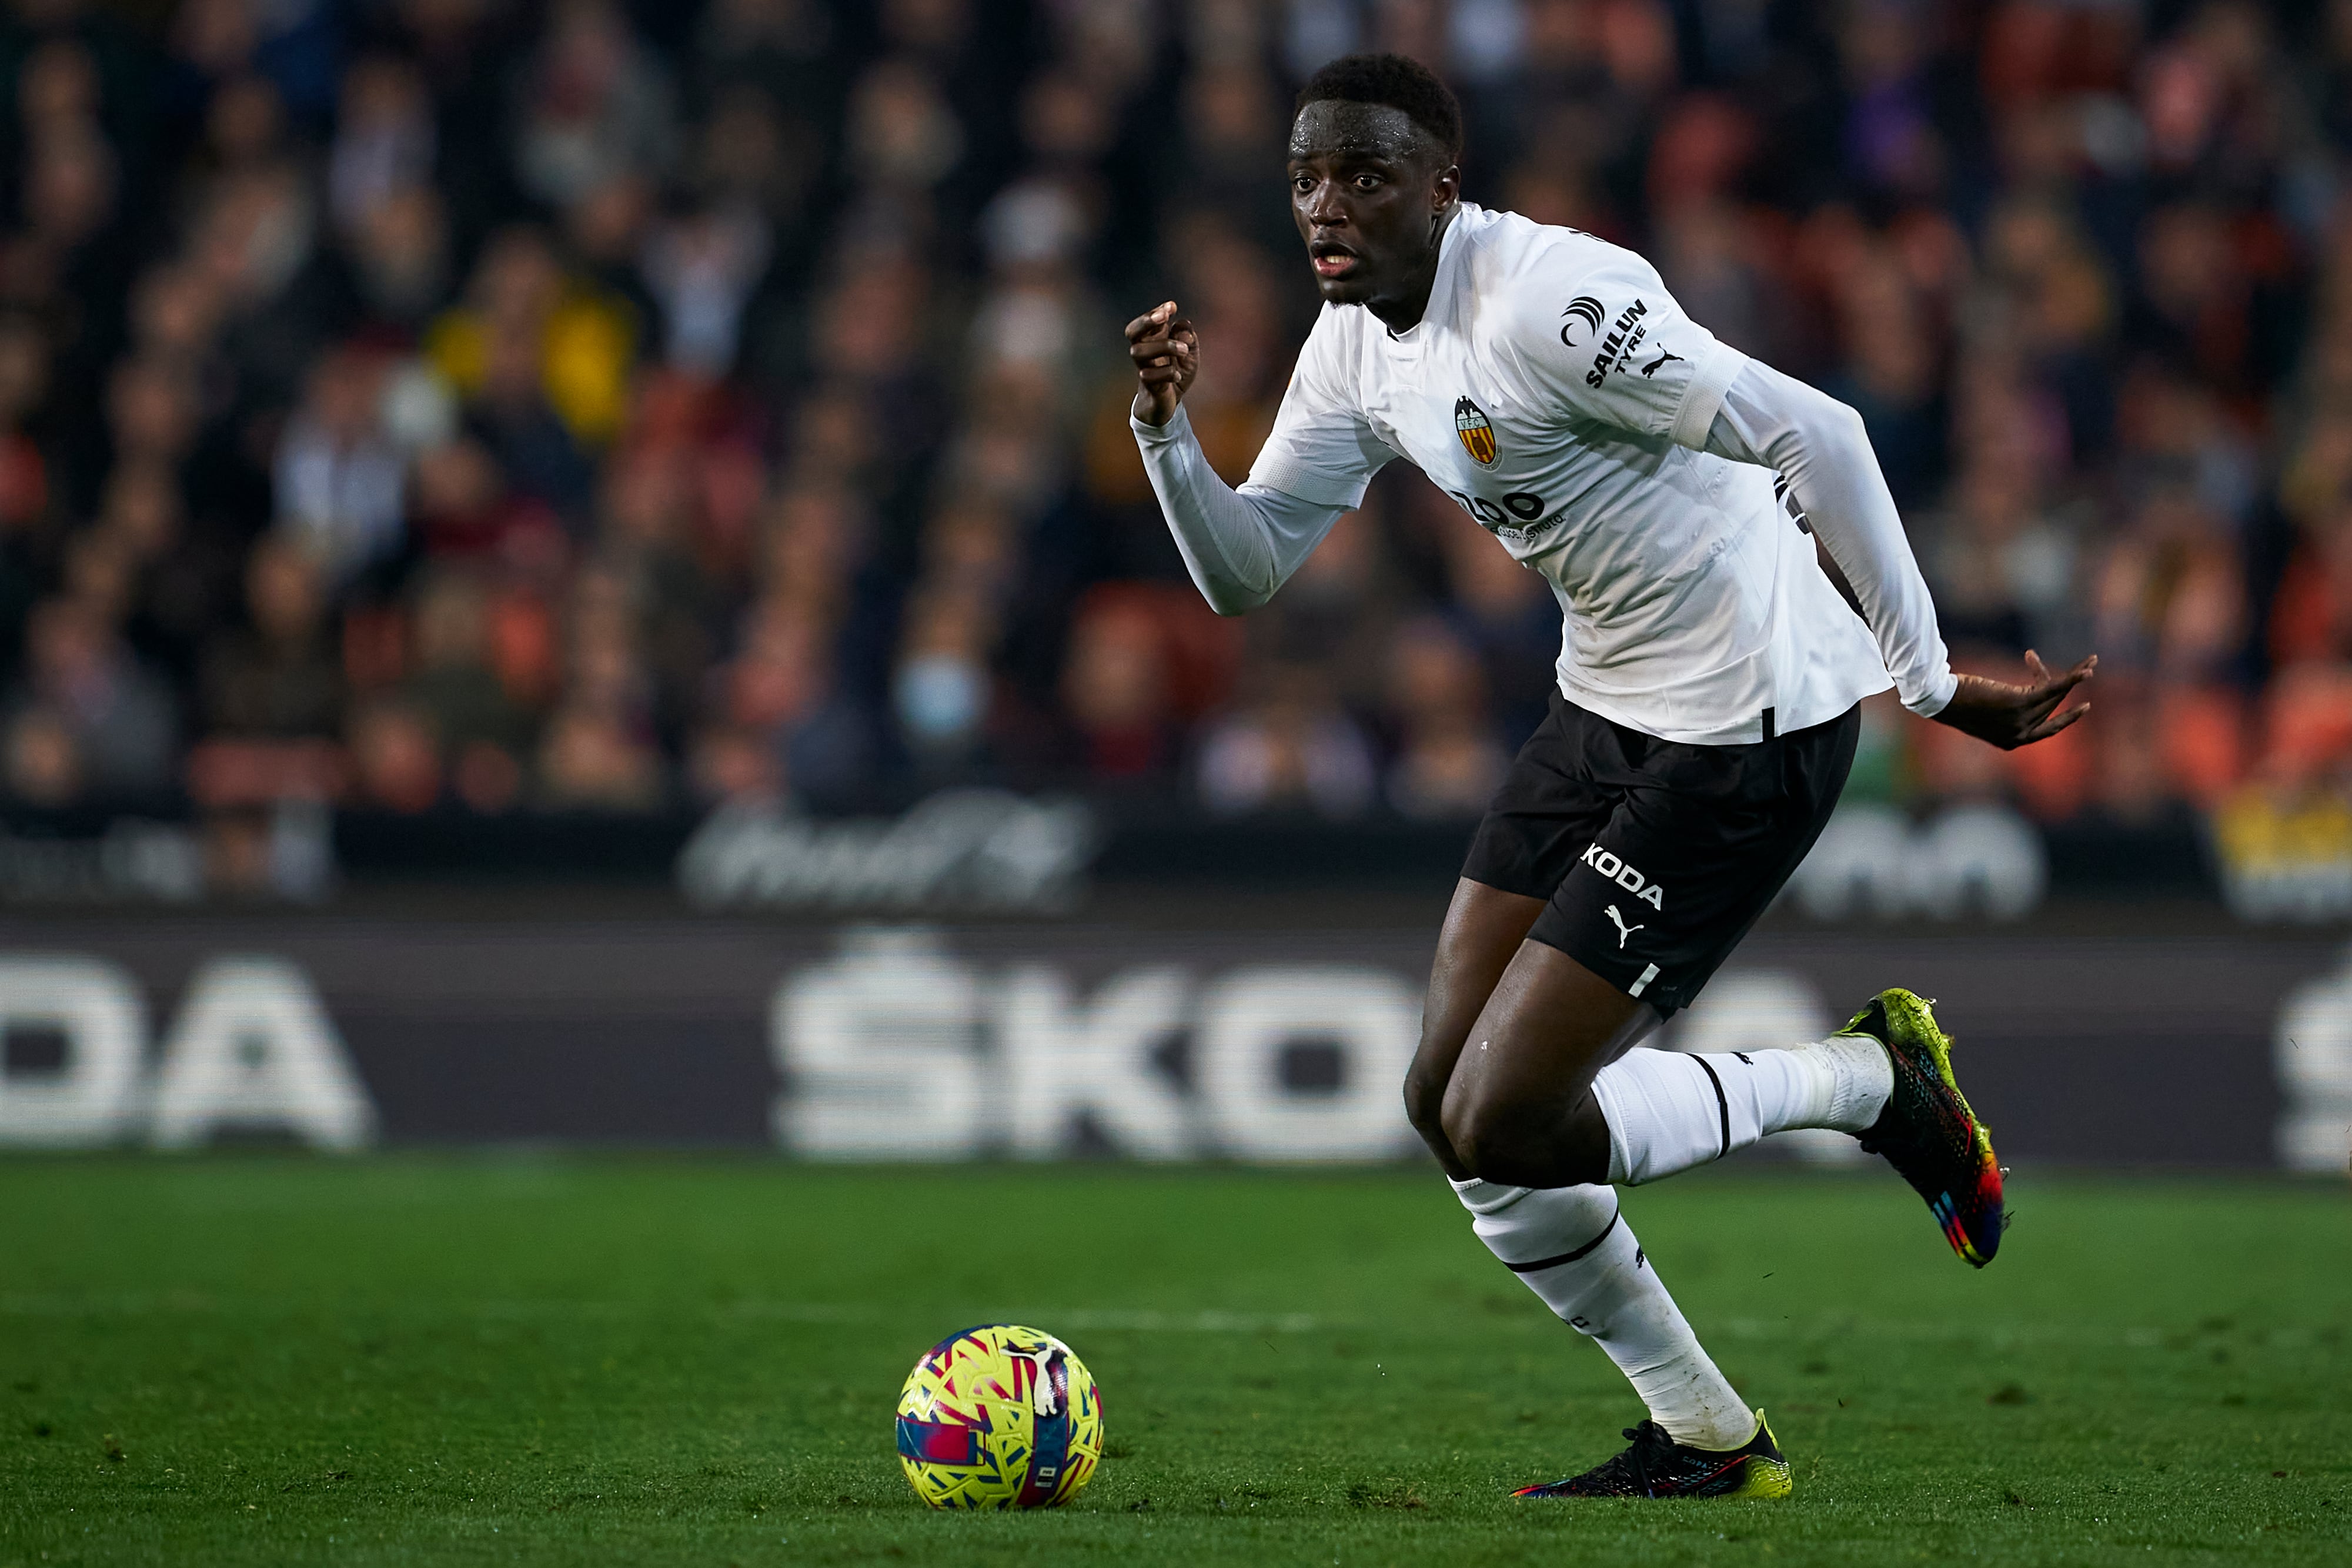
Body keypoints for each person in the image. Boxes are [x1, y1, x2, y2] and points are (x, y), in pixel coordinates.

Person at [1124, 54, 2094, 1500]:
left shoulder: (1553, 305)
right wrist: (1163, 437)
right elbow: (1246, 570)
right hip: (1609, 702)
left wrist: (1930, 674)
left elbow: (1817, 430)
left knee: (1507, 1113)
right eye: (1306, 178)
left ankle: (1866, 1081)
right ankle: (1707, 1434)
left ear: (1442, 188)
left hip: (1752, 715)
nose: (1325, 207)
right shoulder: (1349, 345)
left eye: (1365, 177)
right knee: (1441, 1102)